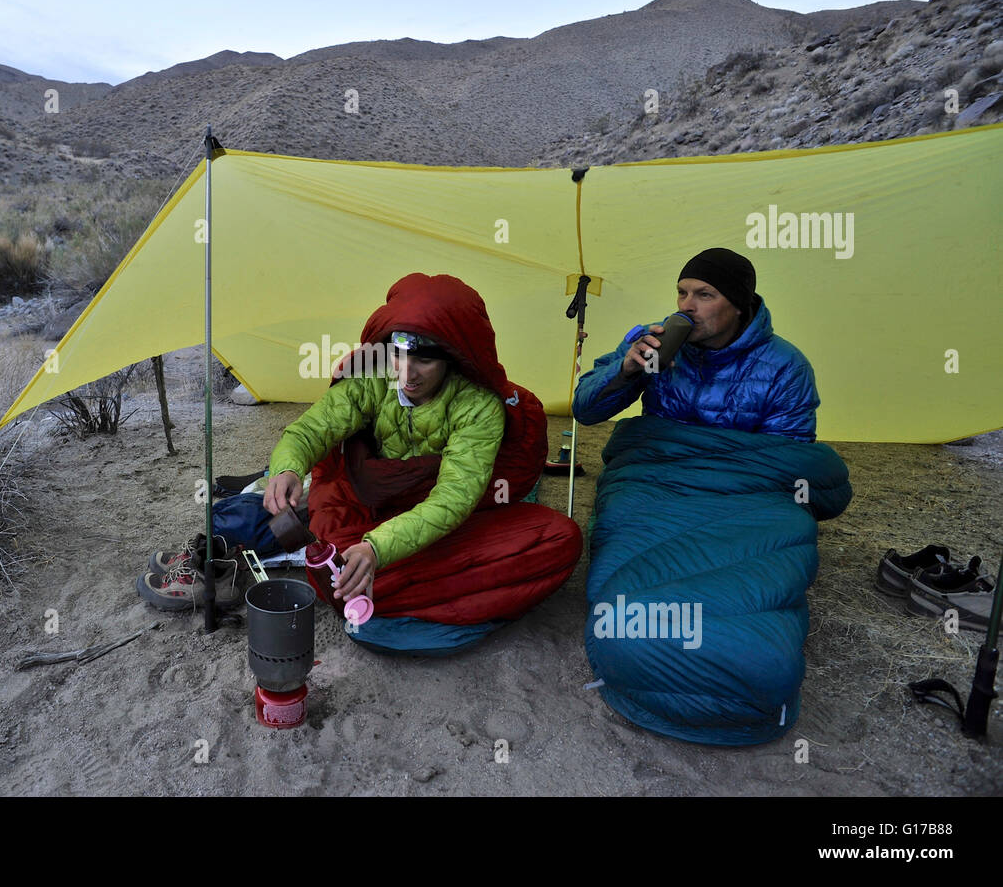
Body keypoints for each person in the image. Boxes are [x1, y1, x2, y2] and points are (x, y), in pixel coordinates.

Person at [262, 272, 582, 654]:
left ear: (452, 358)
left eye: (424, 360)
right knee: (334, 560)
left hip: (443, 521)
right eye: (399, 354)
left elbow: (454, 498)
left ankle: (374, 596)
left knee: (561, 538)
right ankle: (415, 601)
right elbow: (311, 430)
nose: (407, 373)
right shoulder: (372, 377)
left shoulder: (477, 406)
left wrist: (376, 549)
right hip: (372, 508)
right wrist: (287, 468)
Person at [572, 247, 819, 441]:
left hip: (739, 480)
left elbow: (787, 453)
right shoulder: (654, 341)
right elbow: (585, 412)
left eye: (704, 295)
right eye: (682, 293)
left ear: (738, 307)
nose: (686, 306)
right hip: (657, 468)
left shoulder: (785, 366)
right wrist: (624, 372)